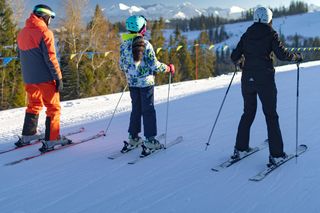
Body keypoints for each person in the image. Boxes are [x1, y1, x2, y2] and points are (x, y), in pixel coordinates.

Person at [230, 7, 303, 166]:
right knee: (271, 115)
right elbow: (282, 55)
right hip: (264, 79)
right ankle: (276, 155)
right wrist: (296, 57)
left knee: (248, 112)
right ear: (269, 19)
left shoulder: (247, 33)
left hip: (247, 78)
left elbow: (234, 56)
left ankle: (240, 148)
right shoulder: (271, 34)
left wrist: (242, 63)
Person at [16, 4, 70, 152]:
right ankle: (52, 139)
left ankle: (28, 134)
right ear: (44, 16)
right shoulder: (44, 32)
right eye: (50, 18)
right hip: (45, 78)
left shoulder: (22, 33)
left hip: (29, 78)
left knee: (34, 104)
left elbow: (20, 56)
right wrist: (58, 77)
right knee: (53, 108)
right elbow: (51, 58)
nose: (50, 21)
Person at [119, 15, 175, 156]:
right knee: (148, 110)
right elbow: (154, 65)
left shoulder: (123, 44)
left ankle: (133, 138)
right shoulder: (145, 44)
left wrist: (131, 72)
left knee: (136, 109)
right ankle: (150, 140)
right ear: (142, 28)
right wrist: (167, 68)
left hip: (132, 83)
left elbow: (121, 65)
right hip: (146, 83)